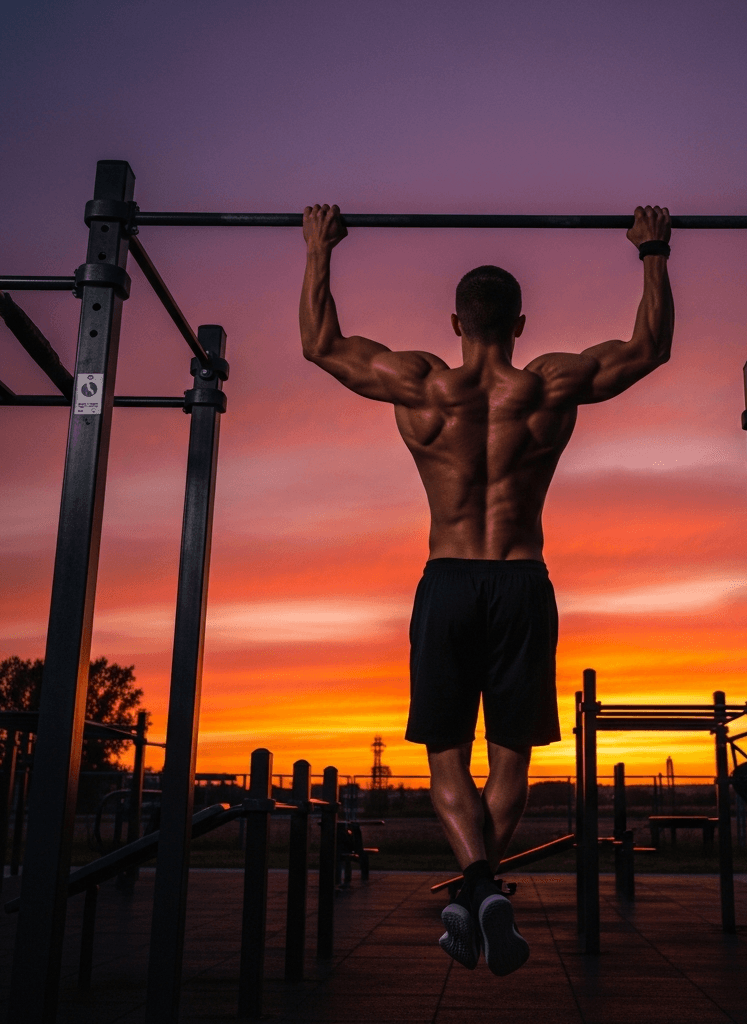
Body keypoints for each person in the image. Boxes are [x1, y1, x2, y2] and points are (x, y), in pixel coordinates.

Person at [299, 204, 674, 975]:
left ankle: (474, 886)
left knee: (446, 762)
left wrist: (317, 249)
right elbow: (649, 348)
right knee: (510, 767)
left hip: (447, 581)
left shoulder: (420, 385)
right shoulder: (550, 386)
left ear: (454, 321)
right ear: (522, 323)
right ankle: (483, 891)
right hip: (521, 581)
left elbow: (320, 344)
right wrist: (653, 252)